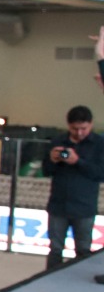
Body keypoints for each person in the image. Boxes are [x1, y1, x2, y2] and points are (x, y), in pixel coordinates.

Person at [42, 104, 102, 269]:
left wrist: (78, 161)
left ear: (91, 124)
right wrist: (52, 160)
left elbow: (100, 173)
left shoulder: (99, 144)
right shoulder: (58, 142)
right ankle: (51, 279)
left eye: (83, 128)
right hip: (58, 206)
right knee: (55, 249)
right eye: (75, 129)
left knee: (83, 250)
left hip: (84, 208)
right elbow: (46, 171)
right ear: (69, 126)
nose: (79, 133)